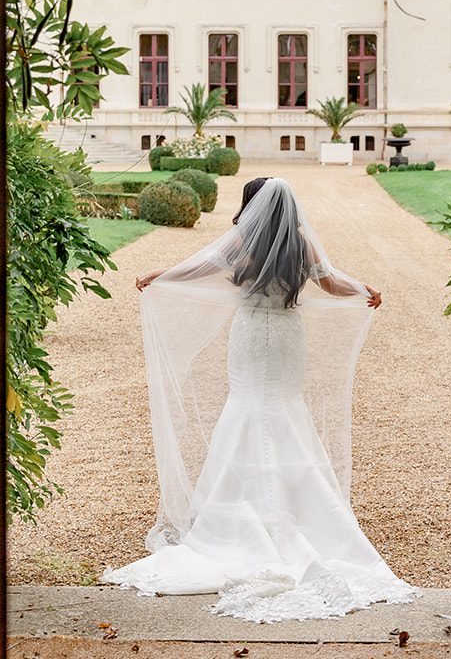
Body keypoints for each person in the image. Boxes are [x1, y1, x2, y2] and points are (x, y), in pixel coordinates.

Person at [101, 175, 417, 623]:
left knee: (248, 408)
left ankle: (235, 514)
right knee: (285, 409)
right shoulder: (301, 247)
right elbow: (332, 284)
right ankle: (301, 508)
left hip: (249, 335)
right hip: (288, 336)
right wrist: (366, 291)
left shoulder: (240, 244)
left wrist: (158, 276)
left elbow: (196, 268)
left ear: (250, 207)